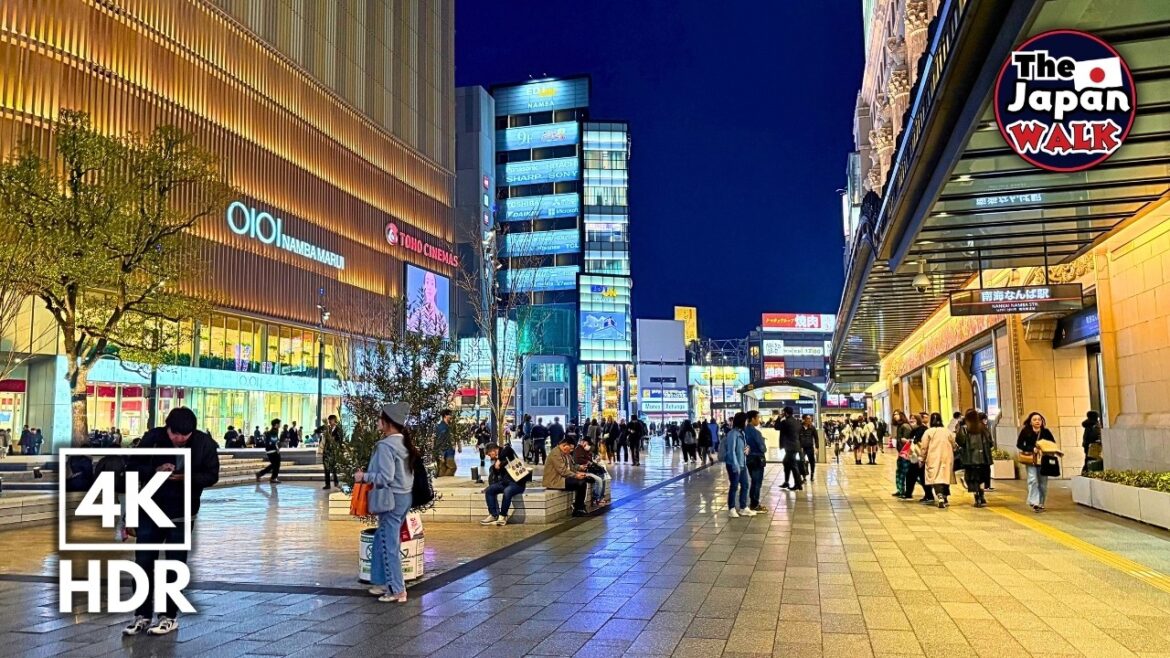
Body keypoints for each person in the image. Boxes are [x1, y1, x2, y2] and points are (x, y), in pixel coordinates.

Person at [122, 407, 220, 637]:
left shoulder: (204, 443)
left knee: (174, 565)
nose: (179, 440)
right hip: (150, 509)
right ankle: (142, 615)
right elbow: (133, 467)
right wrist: (155, 470)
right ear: (167, 428)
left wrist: (188, 477)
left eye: (184, 437)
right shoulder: (153, 438)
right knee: (143, 562)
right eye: (175, 435)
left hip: (182, 513)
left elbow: (212, 475)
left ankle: (169, 617)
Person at [356, 402, 416, 603]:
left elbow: (385, 477)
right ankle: (383, 582)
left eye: (380, 419)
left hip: (390, 500)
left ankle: (397, 590)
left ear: (388, 423)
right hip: (404, 497)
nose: (377, 422)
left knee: (389, 544)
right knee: (381, 539)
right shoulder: (403, 443)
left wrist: (363, 476)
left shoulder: (385, 445)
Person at [480, 441, 530, 525]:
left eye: (489, 454)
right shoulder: (495, 462)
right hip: (505, 483)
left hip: (517, 483)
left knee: (508, 491)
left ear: (493, 450)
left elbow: (508, 448)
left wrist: (499, 460)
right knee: (490, 490)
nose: (489, 457)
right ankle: (493, 515)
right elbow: (494, 477)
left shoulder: (506, 453)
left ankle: (503, 516)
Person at [1017, 411, 1056, 512]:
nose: (1037, 421)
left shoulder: (1046, 432)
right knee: (1033, 479)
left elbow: (1053, 444)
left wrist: (1044, 447)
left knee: (1043, 483)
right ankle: (1035, 502)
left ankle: (1041, 503)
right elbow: (1019, 444)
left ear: (1042, 421)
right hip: (1031, 459)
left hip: (1044, 460)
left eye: (1039, 419)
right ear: (1030, 422)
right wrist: (1031, 448)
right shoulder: (1025, 431)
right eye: (1035, 419)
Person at [543, 437, 590, 517]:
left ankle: (579, 506)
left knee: (585, 480)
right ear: (565, 445)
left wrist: (580, 469)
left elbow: (572, 466)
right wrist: (576, 475)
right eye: (571, 448)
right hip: (555, 481)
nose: (571, 451)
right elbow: (562, 471)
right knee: (580, 483)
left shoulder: (565, 454)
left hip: (563, 478)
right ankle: (578, 508)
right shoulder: (555, 453)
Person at [956, 409, 993, 508]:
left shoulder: (964, 428)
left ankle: (977, 495)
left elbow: (960, 441)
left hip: (970, 459)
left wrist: (959, 426)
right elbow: (990, 443)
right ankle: (981, 495)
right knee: (981, 477)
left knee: (972, 479)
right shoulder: (983, 428)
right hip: (983, 459)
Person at [920, 412, 957, 509]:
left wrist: (922, 458)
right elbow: (954, 444)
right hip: (947, 457)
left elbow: (924, 447)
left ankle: (939, 495)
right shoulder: (947, 431)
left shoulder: (928, 432)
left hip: (933, 457)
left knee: (936, 477)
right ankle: (945, 497)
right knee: (945, 476)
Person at [721, 412, 754, 518]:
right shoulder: (732, 434)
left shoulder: (742, 433)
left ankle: (743, 507)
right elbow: (731, 451)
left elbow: (742, 447)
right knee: (734, 486)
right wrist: (735, 466)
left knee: (745, 485)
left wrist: (747, 448)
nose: (747, 423)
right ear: (741, 421)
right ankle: (731, 508)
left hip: (742, 463)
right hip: (733, 464)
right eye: (746, 421)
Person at [406, 271, 449, 338]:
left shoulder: (442, 318)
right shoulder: (416, 315)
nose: (429, 287)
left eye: (432, 283)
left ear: (435, 290)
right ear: (423, 287)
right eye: (427, 282)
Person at [902, 414, 933, 503]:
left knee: (920, 476)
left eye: (913, 419)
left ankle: (928, 495)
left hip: (920, 457)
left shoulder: (923, 430)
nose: (911, 420)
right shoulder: (914, 430)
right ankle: (909, 493)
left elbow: (921, 443)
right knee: (913, 475)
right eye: (910, 419)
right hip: (915, 457)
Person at [744, 410, 770, 510]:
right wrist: (763, 444)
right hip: (757, 459)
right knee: (757, 482)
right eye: (758, 418)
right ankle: (755, 504)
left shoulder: (744, 431)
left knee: (753, 481)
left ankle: (753, 503)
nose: (759, 420)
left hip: (749, 458)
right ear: (753, 419)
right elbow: (762, 448)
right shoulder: (755, 432)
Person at [321, 414, 344, 489]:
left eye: (331, 420)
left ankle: (336, 483)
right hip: (327, 451)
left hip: (334, 451)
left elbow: (340, 440)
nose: (330, 422)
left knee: (334, 468)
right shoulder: (327, 429)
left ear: (334, 420)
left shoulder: (339, 429)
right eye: (329, 420)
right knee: (326, 468)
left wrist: (340, 450)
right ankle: (327, 484)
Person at [891, 411, 911, 497]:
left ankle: (904, 491)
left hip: (905, 454)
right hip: (901, 453)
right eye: (894, 414)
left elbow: (907, 441)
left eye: (896, 414)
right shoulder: (899, 426)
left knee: (904, 472)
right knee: (900, 472)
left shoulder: (905, 426)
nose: (895, 416)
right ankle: (900, 489)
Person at [256, 419, 282, 483]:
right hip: (272, 450)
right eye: (279, 423)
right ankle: (272, 478)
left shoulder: (275, 430)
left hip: (271, 450)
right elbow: (272, 441)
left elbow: (274, 440)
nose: (280, 425)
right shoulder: (272, 432)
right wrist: (277, 448)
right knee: (276, 464)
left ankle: (261, 474)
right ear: (276, 424)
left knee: (275, 464)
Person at [435, 409, 456, 477]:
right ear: (445, 416)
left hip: (449, 450)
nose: (451, 416)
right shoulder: (441, 426)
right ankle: (444, 482)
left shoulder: (449, 426)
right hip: (444, 451)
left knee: (443, 469)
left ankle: (444, 484)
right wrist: (440, 453)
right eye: (450, 415)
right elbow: (439, 440)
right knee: (451, 467)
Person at [799, 414, 818, 479]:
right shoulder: (799, 427)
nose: (810, 420)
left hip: (810, 447)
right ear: (804, 419)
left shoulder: (812, 428)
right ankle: (804, 475)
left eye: (810, 419)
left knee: (812, 461)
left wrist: (816, 447)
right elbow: (797, 438)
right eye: (808, 419)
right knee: (801, 461)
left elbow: (816, 438)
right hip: (802, 448)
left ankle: (812, 474)